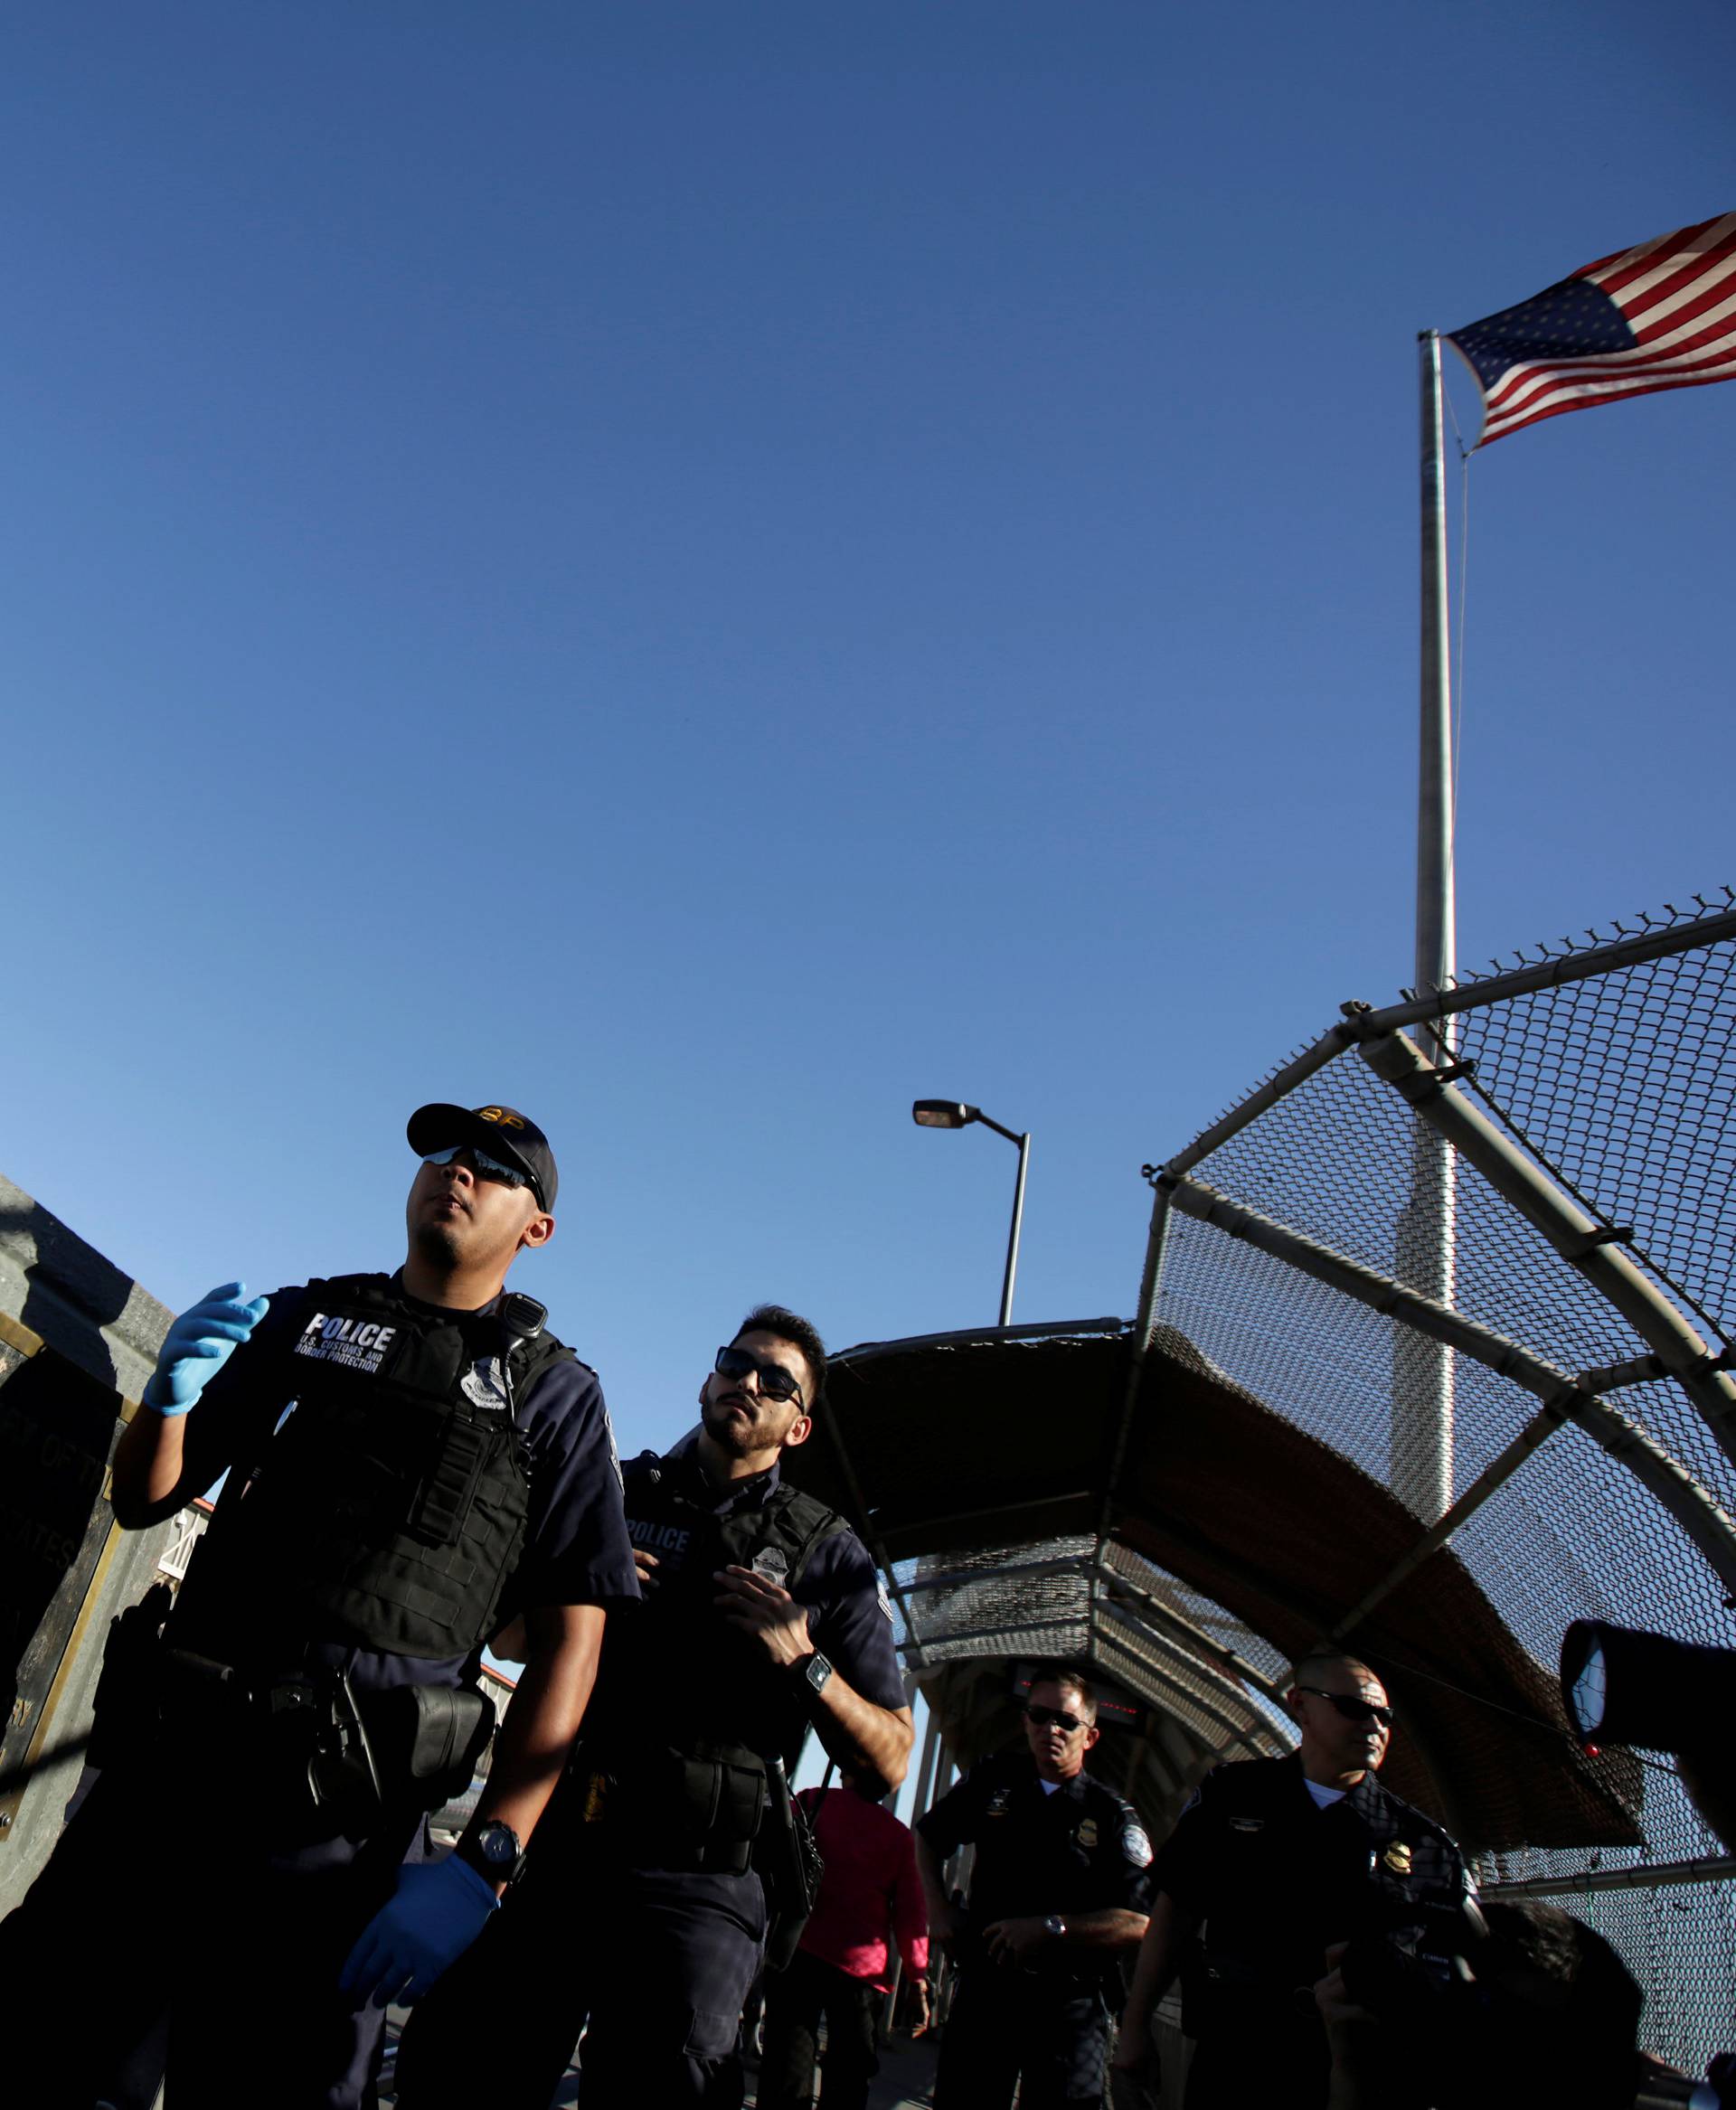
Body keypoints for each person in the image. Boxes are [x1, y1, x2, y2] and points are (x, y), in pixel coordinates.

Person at [0, 1102, 637, 2110]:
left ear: (536, 1228)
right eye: (444, 1154)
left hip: (336, 1832)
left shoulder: (553, 1398)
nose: (455, 1172)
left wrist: (487, 1864)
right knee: (43, 2050)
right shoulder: (309, 1317)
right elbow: (146, 1496)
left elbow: (574, 1643)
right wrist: (168, 1400)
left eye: (492, 1167)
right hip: (170, 1781)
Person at [394, 1304, 915, 2110]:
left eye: (776, 1381)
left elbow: (889, 1758)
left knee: (667, 2086)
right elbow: (509, 1640)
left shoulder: (830, 1555)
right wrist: (586, 1596)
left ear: (798, 1427)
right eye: (735, 1363)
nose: (748, 1382)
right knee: (460, 2071)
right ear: (707, 1378)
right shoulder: (612, 1491)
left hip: (702, 1882)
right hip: (564, 1848)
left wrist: (805, 1661)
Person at [1113, 1647, 1473, 2110]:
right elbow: (1174, 1913)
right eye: (1355, 1708)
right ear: (1299, 1704)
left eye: (1385, 1716)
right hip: (1237, 2059)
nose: (1375, 1726)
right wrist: (1136, 2027)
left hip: (1357, 2075)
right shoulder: (1234, 1795)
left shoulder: (1420, 1844)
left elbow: (1449, 1972)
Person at [915, 1665, 1154, 2110]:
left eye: (1066, 1721)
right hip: (989, 1992)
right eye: (1039, 1715)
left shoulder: (1111, 1815)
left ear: (1091, 1737)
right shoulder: (993, 1780)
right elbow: (928, 1837)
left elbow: (1138, 1920)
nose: (1051, 1729)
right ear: (1025, 1720)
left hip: (1070, 2006)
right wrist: (938, 1909)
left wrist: (1054, 1928)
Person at [757, 1768, 932, 2110]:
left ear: (847, 1771)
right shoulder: (898, 1838)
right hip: (860, 1974)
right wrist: (918, 1980)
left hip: (798, 1951)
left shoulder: (810, 1801)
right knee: (849, 2076)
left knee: (786, 2065)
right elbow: (911, 1916)